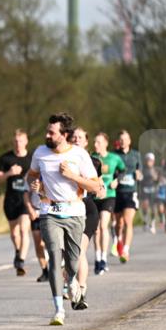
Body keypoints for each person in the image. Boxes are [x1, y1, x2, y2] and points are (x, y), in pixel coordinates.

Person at [26, 113, 101, 326]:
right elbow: (30, 176)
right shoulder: (40, 153)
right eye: (47, 131)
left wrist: (73, 177)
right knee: (54, 257)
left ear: (64, 135)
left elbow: (95, 186)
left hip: (75, 213)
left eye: (52, 132)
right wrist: (36, 186)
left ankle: (73, 281)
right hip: (49, 212)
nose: (46, 135)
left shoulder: (79, 155)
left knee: (73, 261)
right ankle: (59, 309)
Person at [69, 127, 104, 310]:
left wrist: (100, 189)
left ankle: (81, 291)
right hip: (67, 210)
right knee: (67, 254)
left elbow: (99, 186)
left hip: (87, 209)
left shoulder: (94, 162)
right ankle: (71, 285)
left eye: (80, 137)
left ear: (86, 142)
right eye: (73, 137)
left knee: (80, 251)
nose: (76, 139)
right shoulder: (62, 159)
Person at [0, 129, 32, 276]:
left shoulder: (31, 159)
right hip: (10, 200)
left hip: (25, 199)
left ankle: (21, 261)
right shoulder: (6, 158)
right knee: (14, 233)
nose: (18, 143)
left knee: (23, 229)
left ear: (26, 141)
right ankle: (18, 251)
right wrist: (9, 173)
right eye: (16, 141)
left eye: (21, 140)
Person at [92, 132, 125, 275]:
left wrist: (117, 180)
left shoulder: (114, 158)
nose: (96, 145)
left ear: (106, 143)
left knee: (103, 226)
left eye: (99, 142)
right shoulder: (90, 158)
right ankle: (97, 258)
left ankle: (104, 258)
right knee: (96, 229)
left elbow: (123, 170)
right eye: (94, 142)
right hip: (94, 196)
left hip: (109, 195)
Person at [113, 130, 142, 262]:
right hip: (117, 192)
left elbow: (140, 172)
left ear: (129, 141)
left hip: (131, 192)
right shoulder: (114, 155)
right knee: (119, 224)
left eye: (125, 139)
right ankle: (118, 239)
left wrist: (139, 175)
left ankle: (126, 250)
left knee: (127, 221)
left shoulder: (136, 155)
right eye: (121, 139)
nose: (123, 141)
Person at [139, 152, 162, 233]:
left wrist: (155, 177)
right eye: (148, 160)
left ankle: (152, 223)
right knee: (145, 206)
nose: (149, 162)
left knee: (153, 208)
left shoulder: (156, 169)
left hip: (153, 190)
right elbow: (140, 180)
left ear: (153, 161)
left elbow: (159, 180)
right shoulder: (143, 169)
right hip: (145, 189)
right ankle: (145, 220)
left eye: (151, 160)